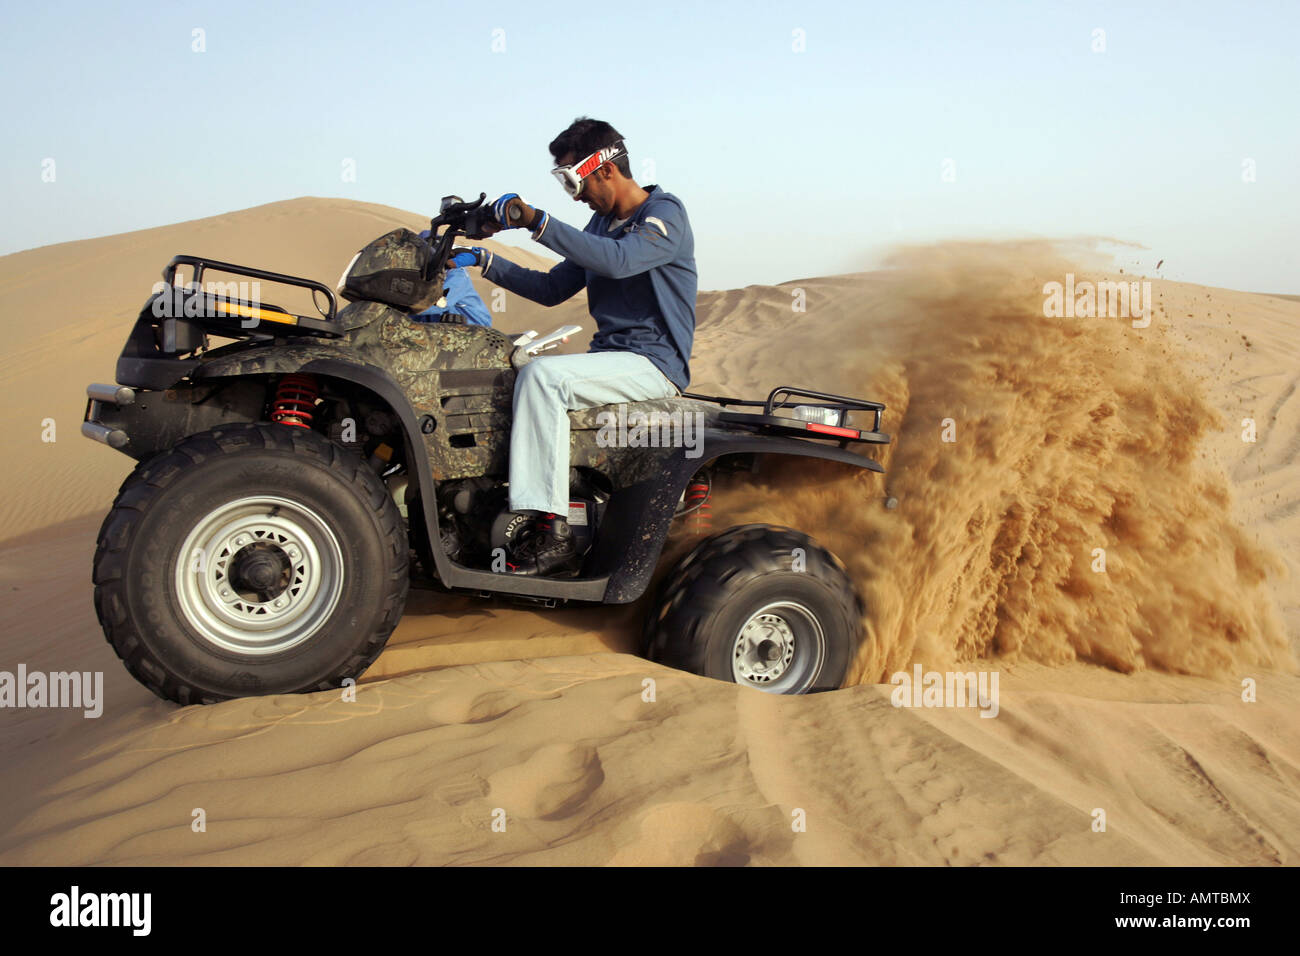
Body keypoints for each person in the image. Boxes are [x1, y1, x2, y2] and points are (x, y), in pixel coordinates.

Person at [448, 117, 697, 576]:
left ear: (604, 169)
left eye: (571, 180)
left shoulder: (664, 215)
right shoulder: (600, 226)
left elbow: (619, 262)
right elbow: (551, 288)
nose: (576, 195)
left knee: (544, 378)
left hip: (654, 363)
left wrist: (537, 221)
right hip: (611, 359)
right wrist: (485, 260)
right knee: (504, 373)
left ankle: (552, 527)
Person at [410, 231, 493, 326]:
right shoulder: (425, 273)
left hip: (475, 329)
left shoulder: (457, 274)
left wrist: (401, 310)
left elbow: (439, 304)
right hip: (442, 329)